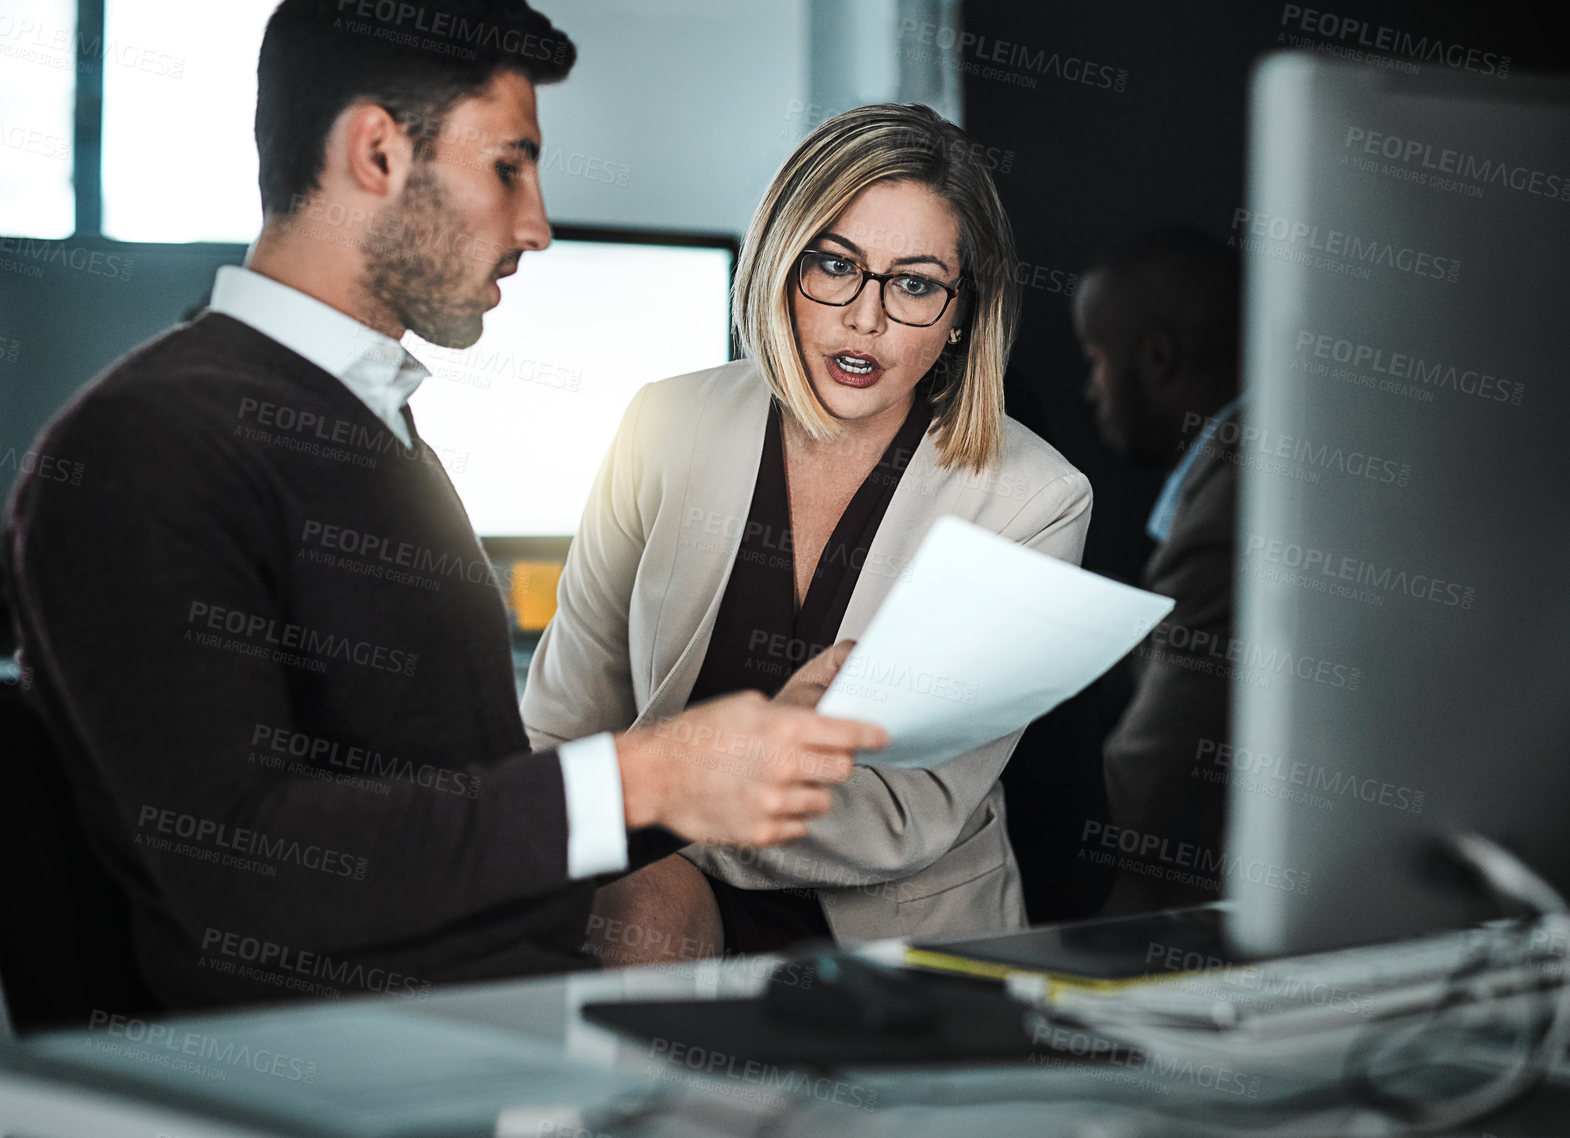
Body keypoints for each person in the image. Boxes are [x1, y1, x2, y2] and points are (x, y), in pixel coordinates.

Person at [2, 0, 883, 1011]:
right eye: (508, 166)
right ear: (377, 153)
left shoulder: (367, 422)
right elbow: (242, 865)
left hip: (483, 1020)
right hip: (341, 1065)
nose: (539, 226)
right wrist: (640, 777)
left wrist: (715, 768)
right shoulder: (145, 444)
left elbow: (445, 819)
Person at [521, 104, 1094, 961]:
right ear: (780, 263)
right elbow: (563, 727)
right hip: (651, 917)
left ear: (962, 313)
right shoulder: (663, 423)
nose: (865, 319)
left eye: (913, 283)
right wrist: (636, 844)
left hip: (894, 947)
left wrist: (652, 807)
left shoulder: (1032, 496)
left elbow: (907, 817)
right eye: (835, 265)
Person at [1075, 226, 1242, 914]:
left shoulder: (1225, 506)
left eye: (1095, 362)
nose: (1090, 390)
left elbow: (1155, 783)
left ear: (1158, 358)